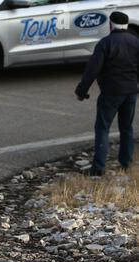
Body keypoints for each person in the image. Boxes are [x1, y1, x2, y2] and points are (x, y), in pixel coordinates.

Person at [75, 11, 139, 176]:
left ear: (110, 24)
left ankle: (99, 168)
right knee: (127, 127)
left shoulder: (105, 43)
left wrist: (81, 91)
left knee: (103, 127)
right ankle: (126, 163)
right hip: (131, 92)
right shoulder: (135, 42)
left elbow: (92, 70)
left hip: (110, 93)